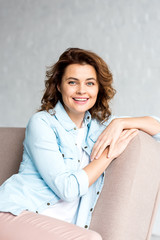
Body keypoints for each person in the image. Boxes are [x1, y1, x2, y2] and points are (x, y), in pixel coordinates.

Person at [0, 47, 160, 240]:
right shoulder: (42, 123)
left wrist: (122, 122)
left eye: (90, 83)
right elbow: (68, 189)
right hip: (13, 214)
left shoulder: (100, 128)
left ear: (98, 88)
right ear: (59, 86)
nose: (82, 90)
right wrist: (107, 154)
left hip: (56, 228)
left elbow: (156, 127)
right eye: (72, 82)